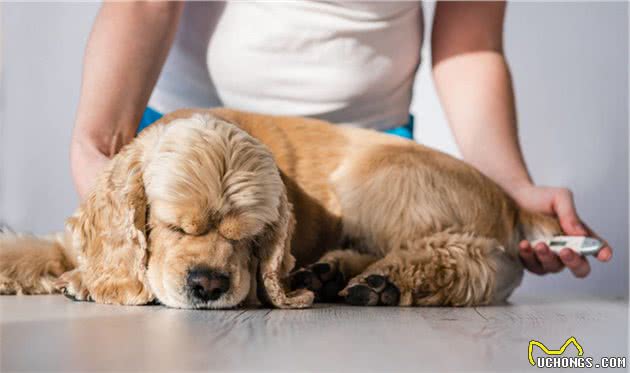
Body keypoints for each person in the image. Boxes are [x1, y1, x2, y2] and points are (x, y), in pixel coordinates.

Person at [70, 1, 612, 279]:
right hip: (198, 158)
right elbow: (146, 4)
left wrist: (508, 185)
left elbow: (469, 41)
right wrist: (98, 146)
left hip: (368, 164)